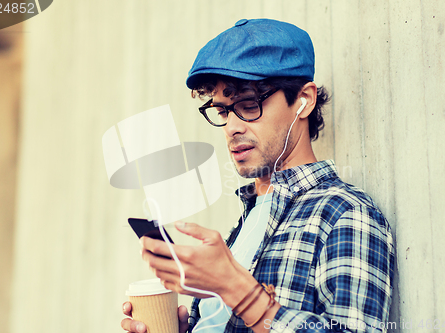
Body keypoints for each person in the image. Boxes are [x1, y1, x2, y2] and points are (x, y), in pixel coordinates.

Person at [121, 18, 395, 333]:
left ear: (303, 100)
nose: (231, 127)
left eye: (249, 105)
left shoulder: (345, 213)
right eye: (223, 111)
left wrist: (239, 291)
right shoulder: (245, 225)